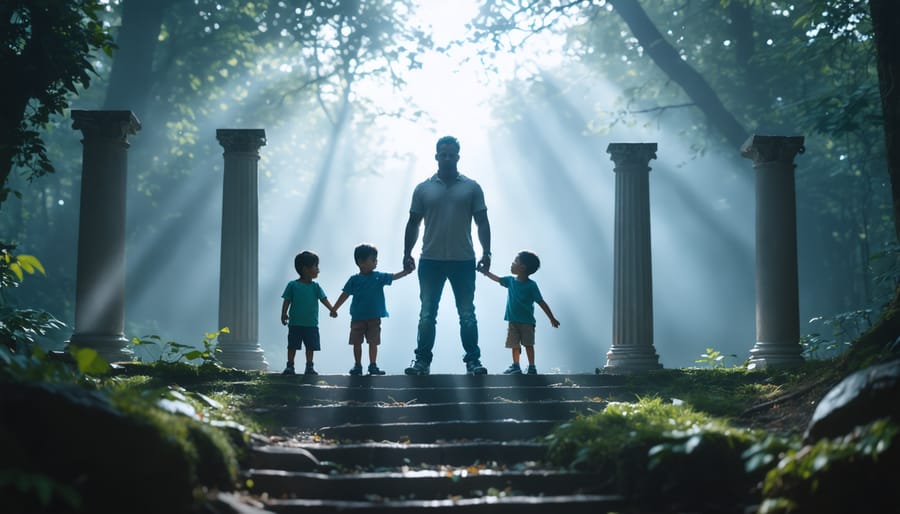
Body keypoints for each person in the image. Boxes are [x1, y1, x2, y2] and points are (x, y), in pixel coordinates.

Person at [402, 135, 492, 376]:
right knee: (427, 313)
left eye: (452, 154)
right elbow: (413, 223)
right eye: (444, 154)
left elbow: (482, 221)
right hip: (430, 259)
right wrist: (406, 253)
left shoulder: (471, 187)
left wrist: (487, 252)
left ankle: (473, 361)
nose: (448, 158)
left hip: (463, 259)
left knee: (467, 314)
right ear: (436, 156)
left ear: (458, 157)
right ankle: (421, 361)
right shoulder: (423, 188)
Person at [331, 244, 412, 376]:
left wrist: (406, 272)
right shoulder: (354, 280)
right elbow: (344, 295)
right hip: (357, 318)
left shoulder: (378, 276)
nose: (376, 262)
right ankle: (357, 365)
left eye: (376, 259)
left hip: (374, 318)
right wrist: (335, 308)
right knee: (357, 342)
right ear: (361, 262)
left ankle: (373, 365)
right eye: (373, 259)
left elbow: (393, 277)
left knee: (373, 342)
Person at [479, 250, 560, 375]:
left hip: (527, 322)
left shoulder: (531, 285)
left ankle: (532, 367)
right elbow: (497, 279)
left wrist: (552, 318)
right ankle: (516, 366)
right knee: (514, 344)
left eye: (515, 261)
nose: (512, 263)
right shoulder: (510, 281)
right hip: (513, 321)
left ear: (522, 268)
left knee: (528, 344)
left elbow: (541, 302)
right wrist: (486, 272)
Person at [280, 250, 337, 375]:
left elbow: (323, 299)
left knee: (310, 346)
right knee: (292, 345)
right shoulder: (292, 285)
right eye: (316, 266)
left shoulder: (315, 287)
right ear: (305, 269)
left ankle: (309, 366)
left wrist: (332, 309)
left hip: (311, 323)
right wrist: (283, 313)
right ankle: (290, 365)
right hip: (295, 323)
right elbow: (287, 300)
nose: (318, 270)